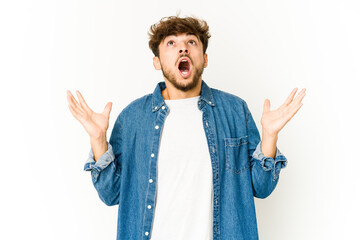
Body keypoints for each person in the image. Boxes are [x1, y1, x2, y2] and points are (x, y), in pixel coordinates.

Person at [67, 15, 305, 240]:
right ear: (157, 61)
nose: (183, 48)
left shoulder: (234, 110)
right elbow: (111, 194)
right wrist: (98, 139)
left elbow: (261, 188)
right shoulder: (132, 118)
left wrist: (270, 136)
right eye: (171, 43)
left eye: (191, 41)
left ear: (205, 58)